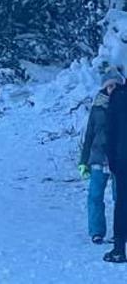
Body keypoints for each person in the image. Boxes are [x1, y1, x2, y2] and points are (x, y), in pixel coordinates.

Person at [80, 70, 122, 244]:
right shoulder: (97, 107)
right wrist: (83, 161)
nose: (112, 88)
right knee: (95, 195)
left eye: (115, 85)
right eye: (109, 86)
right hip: (98, 157)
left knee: (120, 197)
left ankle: (121, 231)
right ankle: (96, 231)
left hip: (120, 158)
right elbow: (89, 134)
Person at [107, 72, 127, 262]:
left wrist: (111, 159)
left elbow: (110, 131)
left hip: (123, 159)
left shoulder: (117, 98)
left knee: (122, 203)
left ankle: (119, 249)